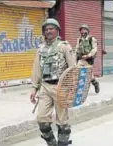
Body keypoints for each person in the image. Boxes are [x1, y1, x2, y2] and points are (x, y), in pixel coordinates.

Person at [30, 18, 76, 146]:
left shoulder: (64, 47)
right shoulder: (40, 49)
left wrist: (73, 88)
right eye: (46, 29)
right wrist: (34, 88)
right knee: (41, 118)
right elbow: (36, 69)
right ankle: (52, 143)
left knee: (62, 120)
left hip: (61, 87)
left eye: (51, 29)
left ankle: (63, 143)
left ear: (57, 30)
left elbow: (73, 69)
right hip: (45, 87)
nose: (48, 31)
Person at [75, 24, 100, 93]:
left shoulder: (92, 39)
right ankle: (80, 89)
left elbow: (94, 49)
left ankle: (95, 83)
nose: (83, 32)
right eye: (81, 30)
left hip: (88, 60)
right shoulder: (79, 40)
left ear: (87, 31)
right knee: (78, 73)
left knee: (89, 75)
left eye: (84, 30)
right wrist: (75, 57)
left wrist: (88, 55)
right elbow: (76, 49)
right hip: (81, 59)